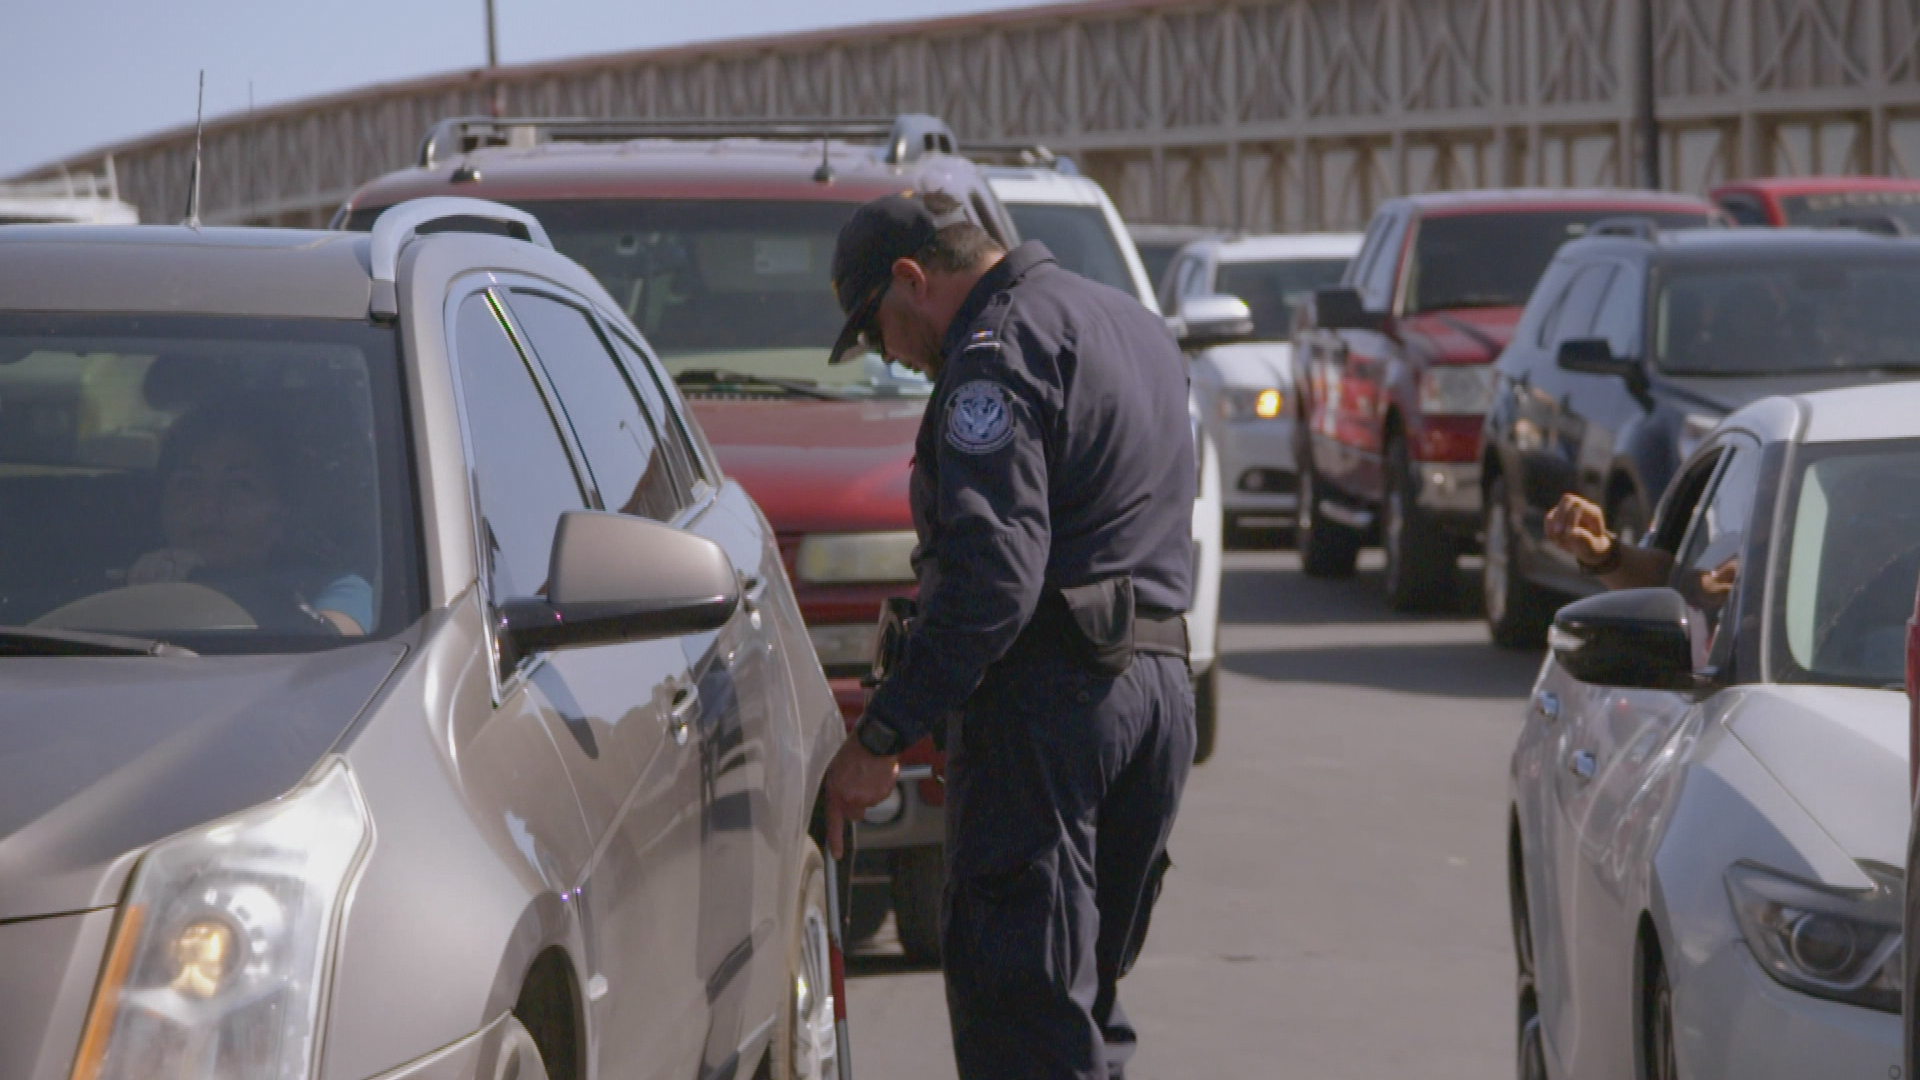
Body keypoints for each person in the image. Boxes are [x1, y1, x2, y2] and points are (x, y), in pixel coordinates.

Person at [818, 191, 1198, 1080]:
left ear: (912, 280)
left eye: (876, 330)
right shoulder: (1130, 323)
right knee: (1083, 1010)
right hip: (1153, 698)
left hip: (1051, 713)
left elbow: (994, 580)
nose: (890, 358)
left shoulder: (995, 354)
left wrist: (883, 733)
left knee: (1020, 1014)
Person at [128, 401, 372, 635]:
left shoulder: (337, 590)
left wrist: (207, 586)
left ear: (282, 513)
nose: (209, 505)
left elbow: (330, 649)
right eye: (189, 484)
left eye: (239, 486)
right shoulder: (118, 580)